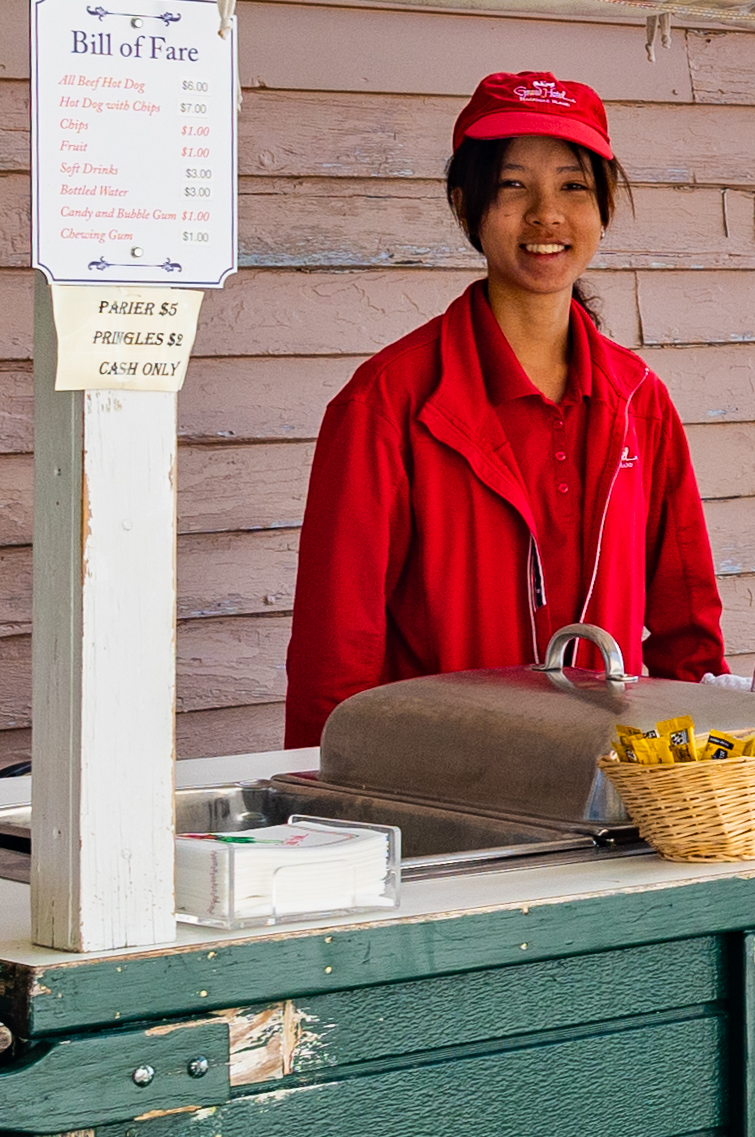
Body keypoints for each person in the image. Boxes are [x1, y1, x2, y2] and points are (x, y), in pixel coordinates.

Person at [283, 70, 726, 746]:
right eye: (514, 185)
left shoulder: (639, 399)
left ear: (605, 207)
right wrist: (327, 806)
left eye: (573, 186)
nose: (546, 214)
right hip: (445, 782)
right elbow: (335, 648)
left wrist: (701, 768)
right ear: (466, 204)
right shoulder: (389, 403)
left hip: (608, 781)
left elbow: (687, 625)